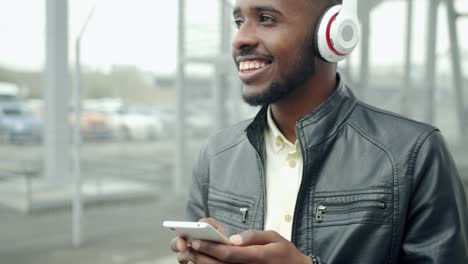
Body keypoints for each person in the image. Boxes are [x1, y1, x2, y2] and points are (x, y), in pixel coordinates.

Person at [170, 0, 468, 263]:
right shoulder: (216, 155)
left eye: (266, 19)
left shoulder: (413, 153)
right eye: (239, 21)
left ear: (333, 34)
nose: (241, 38)